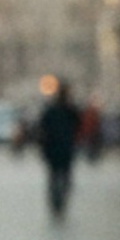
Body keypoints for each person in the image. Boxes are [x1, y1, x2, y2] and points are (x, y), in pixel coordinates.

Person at [36, 79, 83, 218]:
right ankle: (58, 200)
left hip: (55, 149)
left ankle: (56, 201)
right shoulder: (69, 110)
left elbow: (42, 129)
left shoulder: (53, 110)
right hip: (63, 148)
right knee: (62, 176)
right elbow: (78, 126)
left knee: (55, 176)